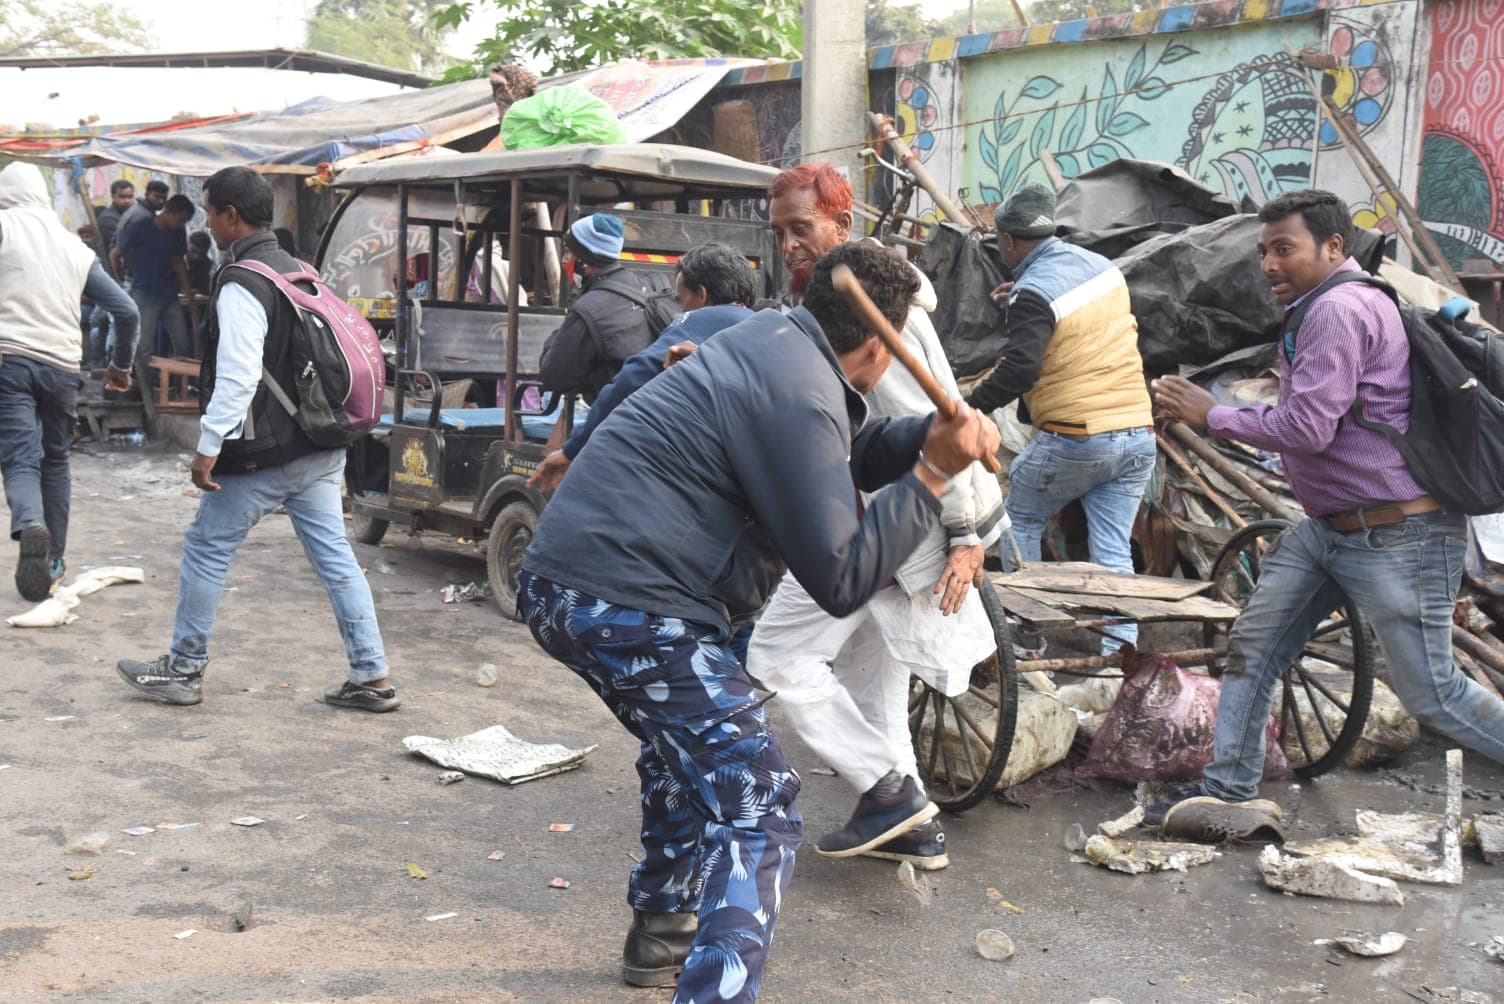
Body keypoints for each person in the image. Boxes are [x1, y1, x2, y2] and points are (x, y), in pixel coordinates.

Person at [517, 241, 1000, 1000]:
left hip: (580, 583)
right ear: (877, 346)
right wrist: (935, 473)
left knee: (689, 749)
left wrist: (923, 445)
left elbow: (849, 452)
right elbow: (842, 577)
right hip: (627, 597)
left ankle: (662, 931)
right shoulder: (801, 393)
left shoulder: (775, 343)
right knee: (759, 799)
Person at [1150, 188, 1504, 834]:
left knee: (1435, 695)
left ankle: (1229, 783)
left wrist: (1213, 413)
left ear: (1333, 246)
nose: (1269, 265)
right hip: (1331, 530)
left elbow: (1309, 427)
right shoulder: (1332, 305)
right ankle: (1228, 789)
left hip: (1399, 534)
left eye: (1284, 249)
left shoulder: (1338, 310)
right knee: (1255, 646)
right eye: (1263, 252)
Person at [747, 162, 1006, 871]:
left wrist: (963, 536)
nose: (791, 246)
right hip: (889, 523)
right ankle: (912, 826)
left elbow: (935, 423)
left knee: (776, 655)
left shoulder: (862, 314)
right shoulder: (858, 297)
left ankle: (893, 797)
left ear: (842, 223)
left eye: (803, 229)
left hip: (884, 531)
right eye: (780, 233)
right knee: (871, 683)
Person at [116, 166, 398, 713]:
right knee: (336, 558)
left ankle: (183, 668)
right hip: (319, 442)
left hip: (269, 452)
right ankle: (372, 676)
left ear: (230, 215)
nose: (208, 222)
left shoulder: (243, 280)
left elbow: (240, 374)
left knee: (206, 547)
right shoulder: (297, 269)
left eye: (211, 211)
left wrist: (208, 447)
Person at [965, 184, 1155, 652]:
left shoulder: (1034, 291)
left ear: (1008, 243)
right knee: (1112, 550)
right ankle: (1119, 655)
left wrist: (970, 406)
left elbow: (1020, 369)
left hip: (1078, 436)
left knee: (1018, 521)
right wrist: (1023, 301)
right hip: (1138, 434)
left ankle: (1027, 639)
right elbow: (1075, 317)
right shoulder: (1102, 269)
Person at [0, 163, 139, 600]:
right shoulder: (73, 246)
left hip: (10, 360)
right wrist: (120, 366)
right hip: (62, 367)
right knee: (56, 460)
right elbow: (128, 311)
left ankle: (28, 523)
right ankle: (54, 559)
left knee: (21, 458)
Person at [527, 241, 758, 493]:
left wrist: (573, 448)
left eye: (682, 301)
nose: (681, 309)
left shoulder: (700, 319)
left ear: (701, 295)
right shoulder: (766, 325)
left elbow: (633, 378)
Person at [537, 213, 659, 400]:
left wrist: (555, 337)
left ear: (583, 261)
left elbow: (554, 377)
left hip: (610, 417)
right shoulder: (646, 286)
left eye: (569, 253)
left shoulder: (588, 310)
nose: (564, 260)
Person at [118, 193, 195, 364]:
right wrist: (117, 284)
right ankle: (146, 388)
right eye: (180, 220)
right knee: (144, 346)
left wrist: (188, 294)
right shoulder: (140, 228)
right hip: (144, 294)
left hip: (169, 295)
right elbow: (115, 254)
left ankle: (179, 388)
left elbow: (178, 262)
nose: (181, 225)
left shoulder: (178, 232)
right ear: (168, 212)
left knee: (182, 345)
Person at [108, 178, 169, 277]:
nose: (161, 201)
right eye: (157, 197)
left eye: (164, 198)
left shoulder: (137, 210)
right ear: (147, 194)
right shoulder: (143, 217)